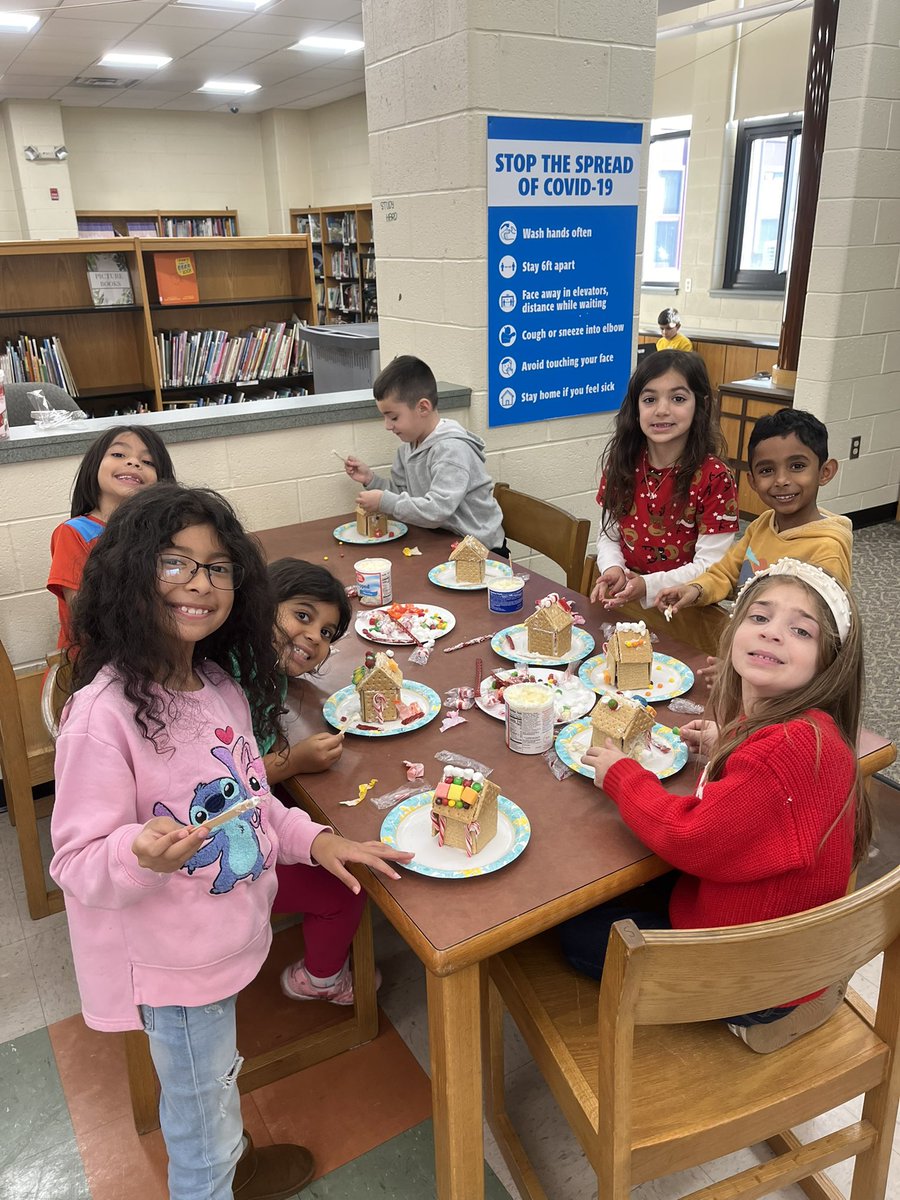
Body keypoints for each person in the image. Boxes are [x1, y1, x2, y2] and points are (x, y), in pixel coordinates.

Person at [50, 483, 412, 1200]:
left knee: (213, 1087)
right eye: (174, 562)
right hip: (172, 968)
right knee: (200, 1131)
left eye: (217, 567)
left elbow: (252, 803)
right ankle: (219, 1176)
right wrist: (137, 854)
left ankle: (232, 1157)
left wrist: (319, 842)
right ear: (127, 573)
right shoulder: (102, 717)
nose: (200, 582)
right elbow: (76, 862)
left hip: (222, 940)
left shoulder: (217, 684)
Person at [562, 558, 870, 1054]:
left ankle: (770, 1018)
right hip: (759, 936)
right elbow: (762, 792)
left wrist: (622, 775)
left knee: (573, 931)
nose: (773, 633)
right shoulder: (800, 730)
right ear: (735, 631)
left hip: (749, 975)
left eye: (800, 630)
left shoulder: (782, 751)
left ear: (829, 662)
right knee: (611, 892)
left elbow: (687, 837)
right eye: (760, 617)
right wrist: (728, 742)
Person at [252, 558, 370, 1007]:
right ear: (261, 603)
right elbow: (229, 781)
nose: (314, 637)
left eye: (326, 633)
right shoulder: (236, 679)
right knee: (346, 886)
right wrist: (292, 762)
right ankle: (321, 980)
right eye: (302, 616)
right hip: (215, 865)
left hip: (246, 822)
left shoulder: (261, 667)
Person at [656, 408, 850, 622]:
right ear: (753, 481)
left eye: (797, 466)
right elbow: (726, 573)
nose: (781, 480)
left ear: (825, 472)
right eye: (767, 470)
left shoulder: (827, 550)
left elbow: (822, 625)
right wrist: (695, 589)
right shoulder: (762, 526)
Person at [590, 349, 738, 612]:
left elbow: (712, 565)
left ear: (701, 405)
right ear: (636, 408)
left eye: (678, 398)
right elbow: (609, 535)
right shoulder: (622, 462)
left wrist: (648, 585)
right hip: (626, 600)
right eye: (649, 399)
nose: (661, 410)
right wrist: (613, 567)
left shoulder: (715, 477)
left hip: (687, 611)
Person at [343, 354, 507, 554]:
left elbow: (437, 510)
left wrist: (384, 502)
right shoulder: (407, 448)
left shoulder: (451, 450)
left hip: (482, 550)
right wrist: (371, 480)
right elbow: (404, 496)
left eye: (393, 417)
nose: (387, 426)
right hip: (442, 541)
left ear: (423, 407)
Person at [47, 425, 175, 648]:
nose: (134, 462)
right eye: (118, 454)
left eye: (148, 462)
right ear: (94, 466)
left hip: (160, 650)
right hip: (99, 658)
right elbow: (85, 617)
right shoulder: (74, 533)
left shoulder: (166, 533)